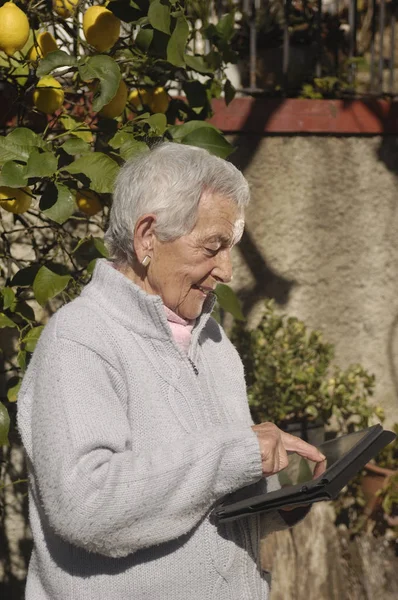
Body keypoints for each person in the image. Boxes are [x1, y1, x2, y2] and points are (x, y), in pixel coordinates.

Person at [17, 142, 325, 600]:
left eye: (230, 249)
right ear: (147, 237)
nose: (226, 270)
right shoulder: (80, 339)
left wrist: (283, 502)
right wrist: (235, 454)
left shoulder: (214, 342)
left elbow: (206, 498)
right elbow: (85, 505)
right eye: (213, 247)